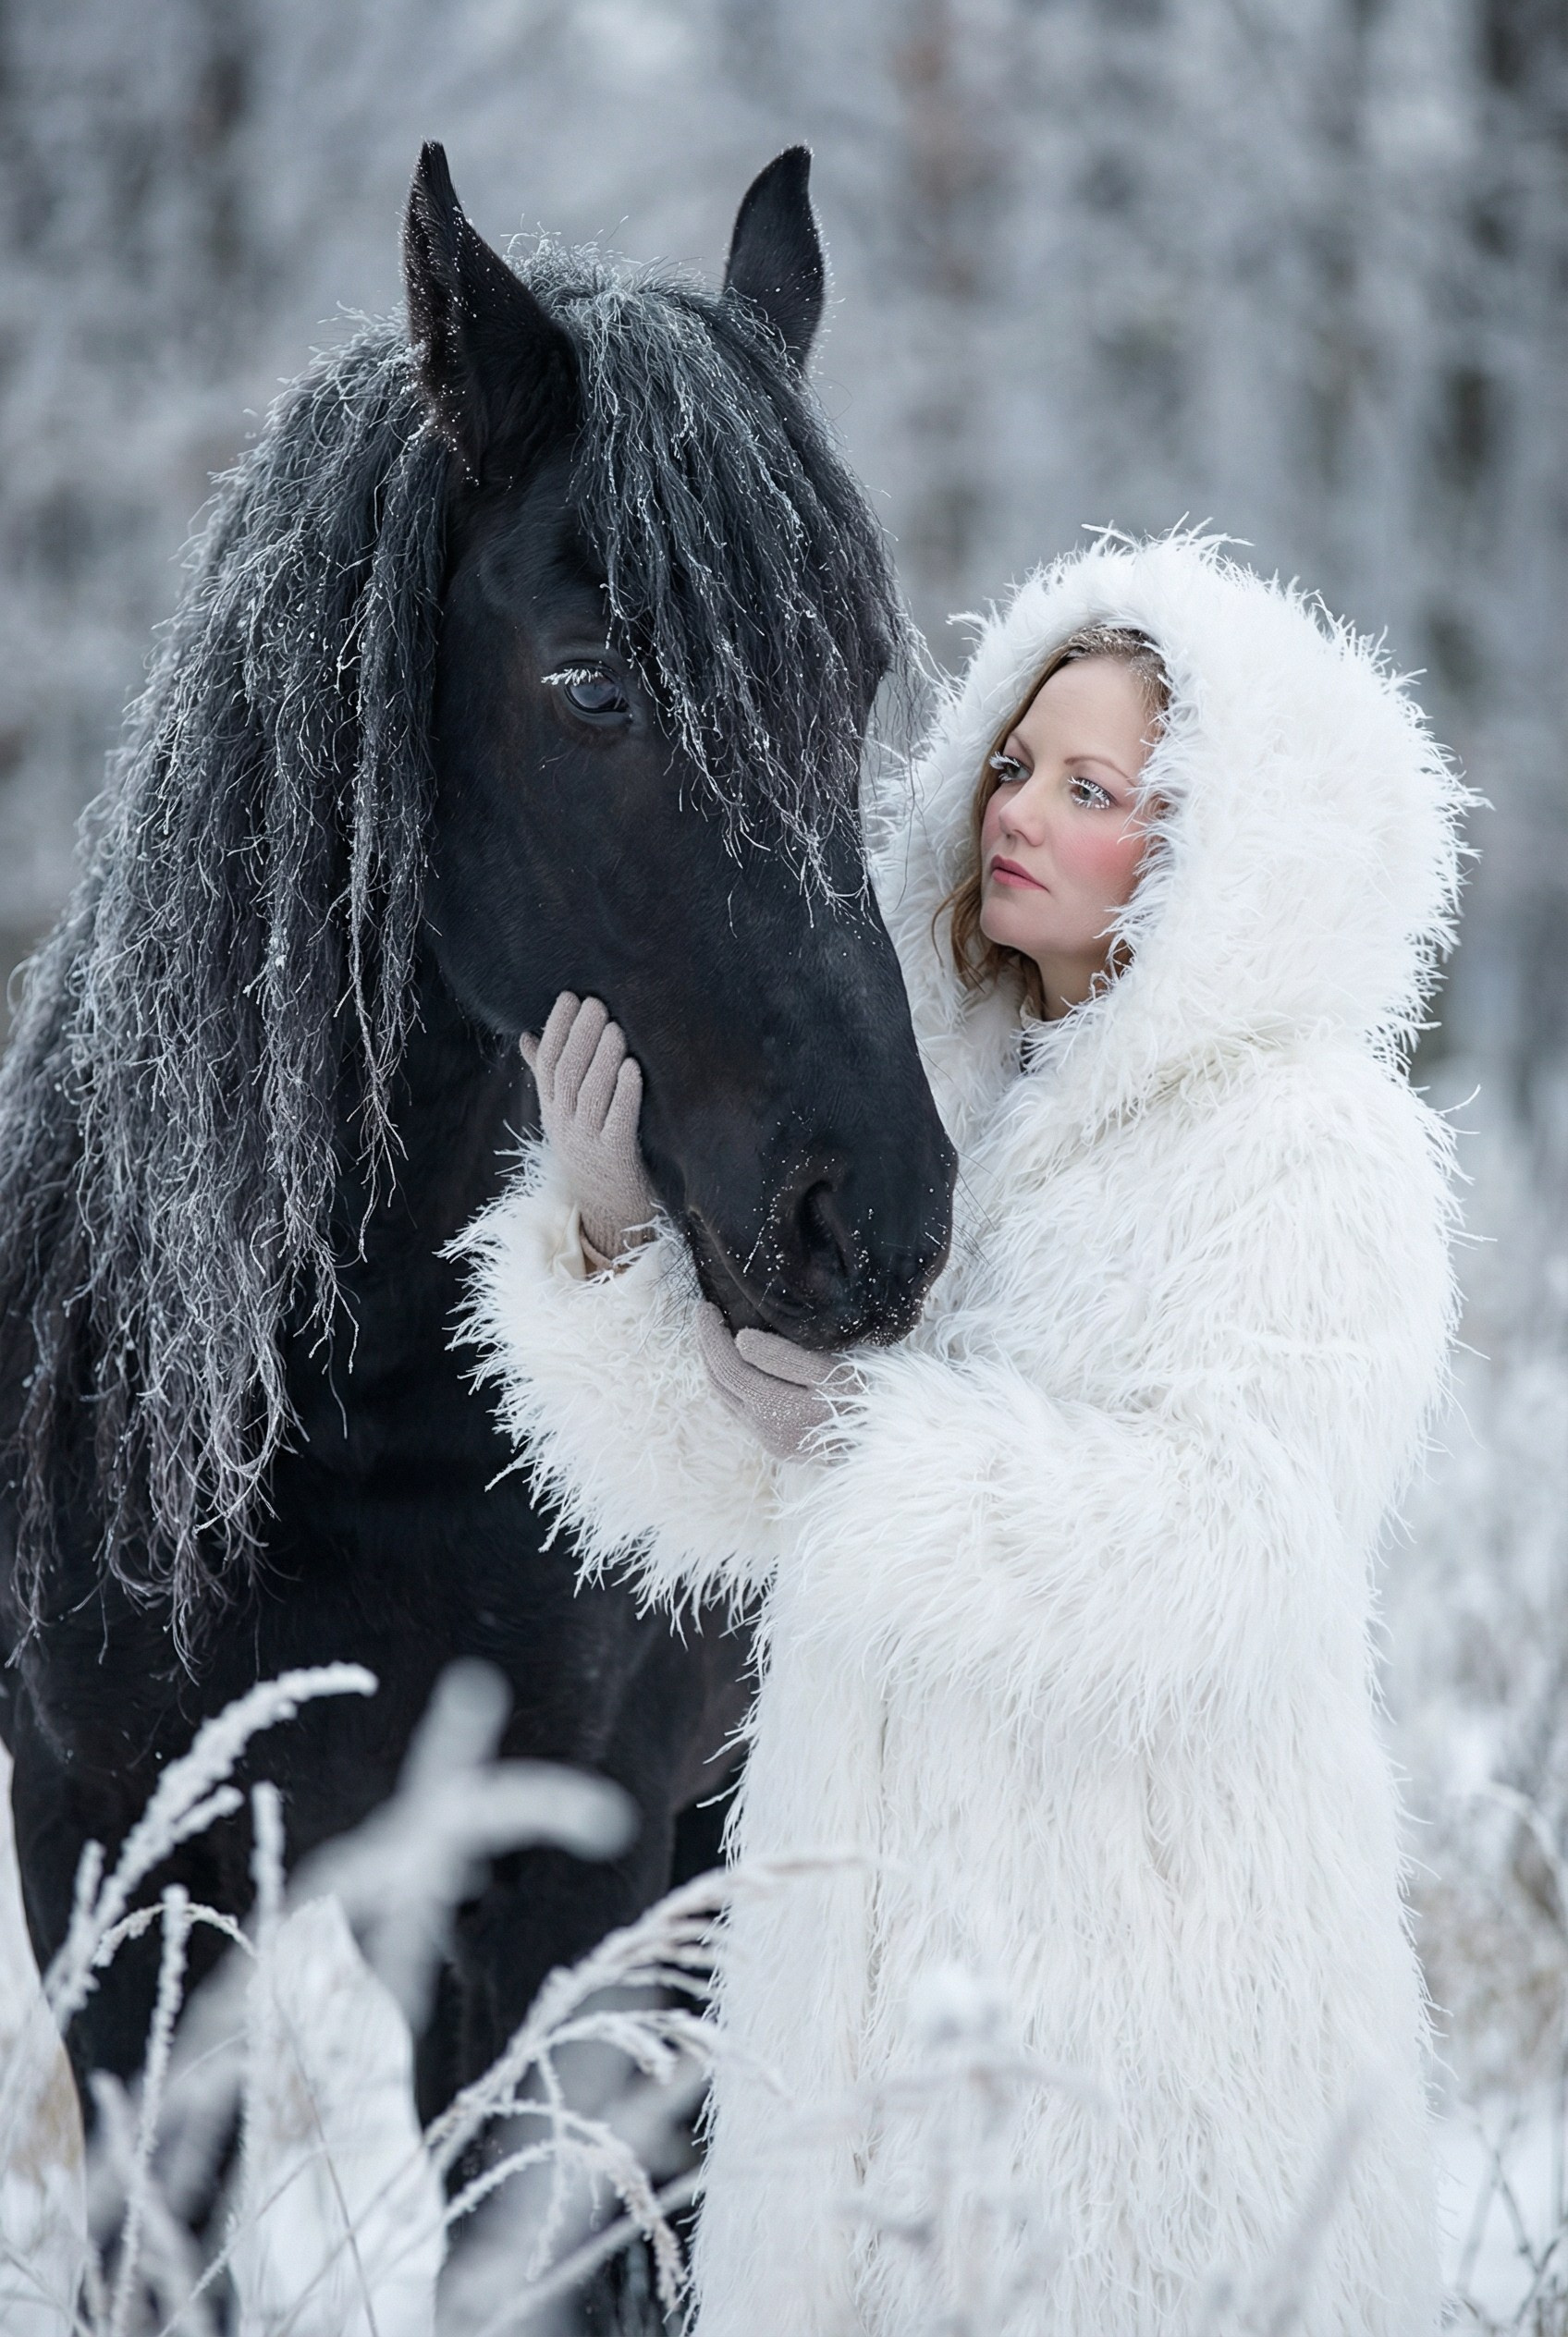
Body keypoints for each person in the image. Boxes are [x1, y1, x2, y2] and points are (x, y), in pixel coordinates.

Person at [455, 532, 1464, 2333]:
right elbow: (739, 1479)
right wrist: (607, 1228)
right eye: (1012, 761)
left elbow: (1229, 1545)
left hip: (1150, 2022)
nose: (1018, 806)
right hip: (856, 2008)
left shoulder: (1311, 1146)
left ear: (1215, 851)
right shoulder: (933, 1117)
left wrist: (877, 1450)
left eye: (1089, 784)